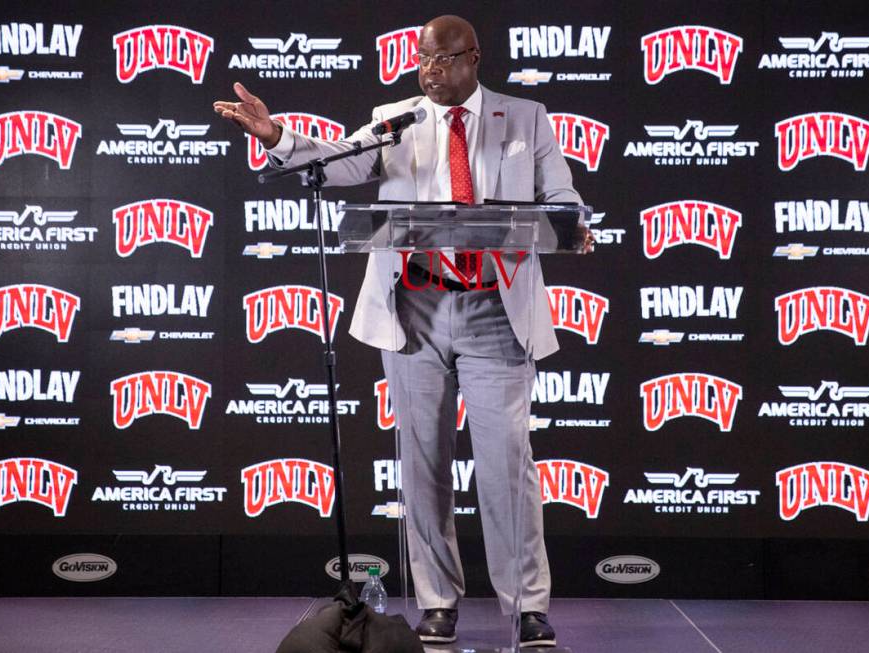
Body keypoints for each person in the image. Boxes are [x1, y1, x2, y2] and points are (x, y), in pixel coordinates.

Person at [215, 14, 593, 648]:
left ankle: (527, 606)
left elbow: (561, 194)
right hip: (414, 311)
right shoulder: (400, 117)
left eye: (443, 60)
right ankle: (438, 601)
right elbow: (338, 161)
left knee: (507, 466)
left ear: (473, 57)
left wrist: (572, 221)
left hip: (494, 310)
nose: (429, 70)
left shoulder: (525, 117)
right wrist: (277, 134)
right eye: (423, 59)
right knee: (421, 466)